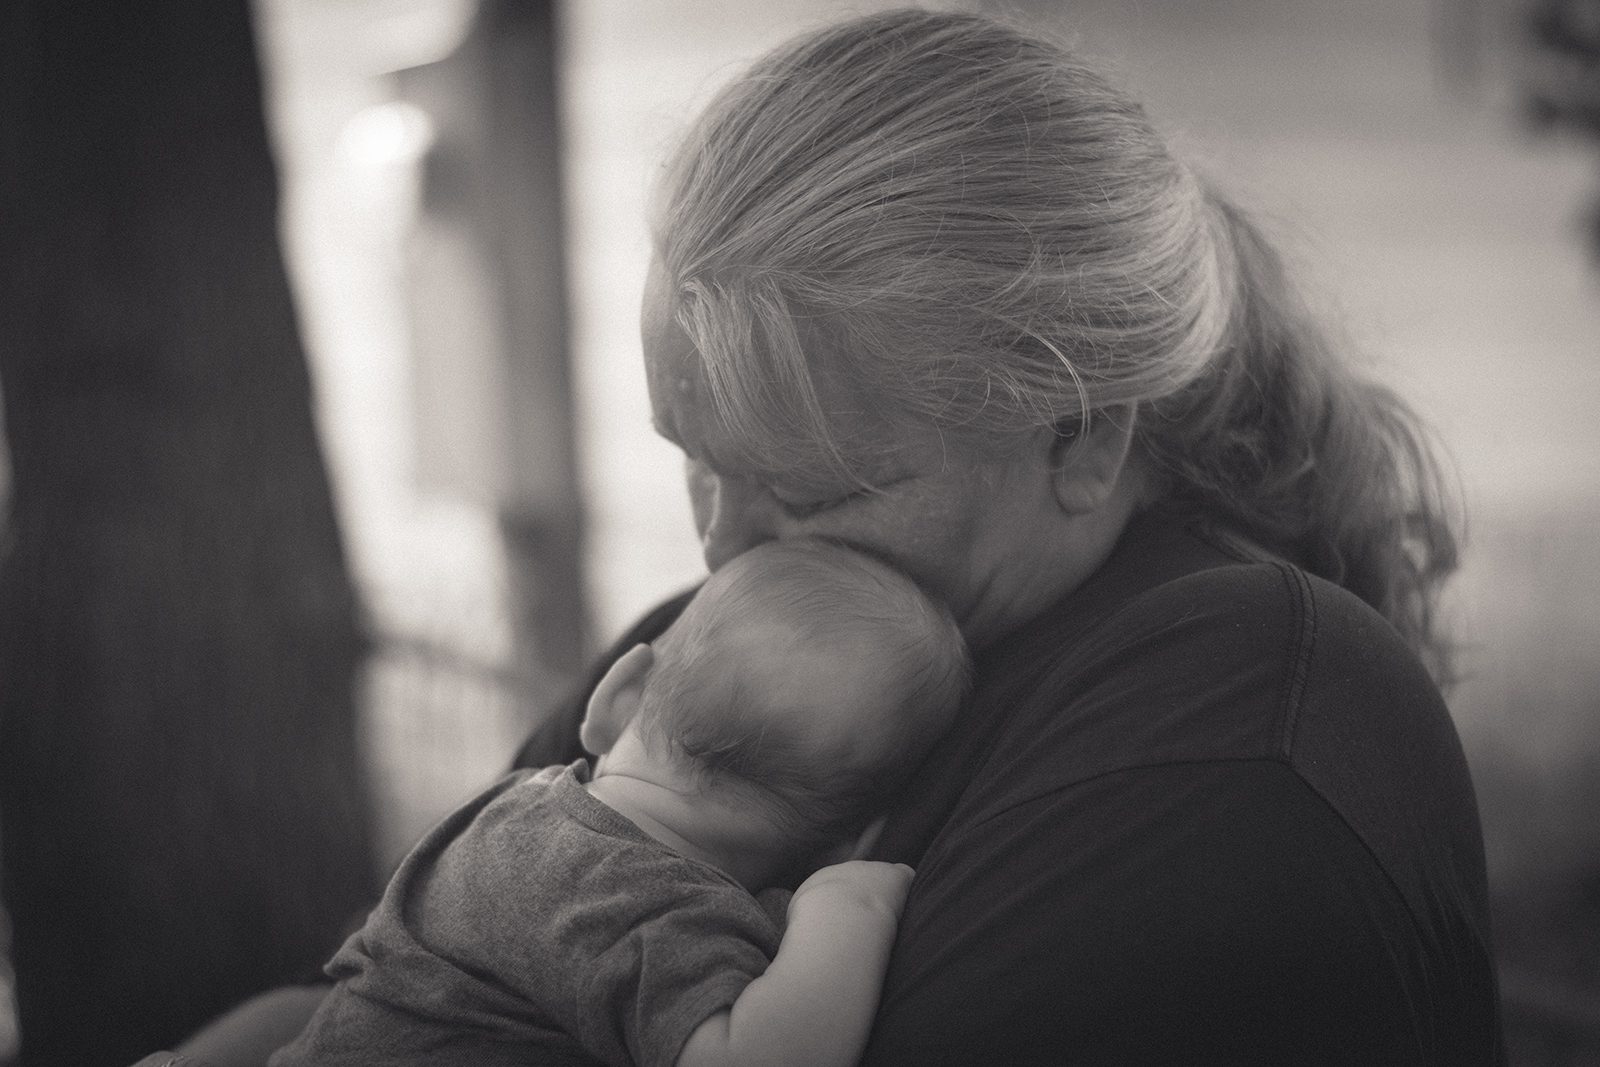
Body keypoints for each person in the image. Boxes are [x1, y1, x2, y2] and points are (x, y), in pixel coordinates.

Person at [178, 8, 1504, 1065]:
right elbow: (388, 986)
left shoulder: (1224, 730)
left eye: (814, 494)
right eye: (698, 464)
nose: (721, 552)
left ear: (1082, 435)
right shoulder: (720, 644)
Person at [267, 539, 969, 1067]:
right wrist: (849, 906)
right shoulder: (653, 910)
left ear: (616, 694)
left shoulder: (509, 806)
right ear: (848, 836)